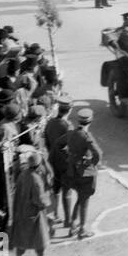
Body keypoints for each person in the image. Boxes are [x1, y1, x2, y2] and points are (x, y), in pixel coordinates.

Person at [9, 146, 54, 256]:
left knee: (21, 240)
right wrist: (48, 202)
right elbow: (40, 200)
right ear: (39, 165)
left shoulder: (23, 174)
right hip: (34, 214)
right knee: (41, 239)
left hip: (21, 212)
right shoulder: (36, 179)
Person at [66, 107, 103, 239]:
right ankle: (82, 229)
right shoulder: (87, 136)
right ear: (90, 121)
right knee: (84, 201)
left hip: (72, 171)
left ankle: (72, 226)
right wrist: (92, 162)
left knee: (80, 199)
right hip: (85, 173)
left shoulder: (72, 133)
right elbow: (98, 153)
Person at [43, 97, 75, 234]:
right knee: (67, 191)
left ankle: (55, 215)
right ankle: (68, 220)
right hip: (65, 163)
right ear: (70, 110)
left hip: (52, 160)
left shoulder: (50, 122)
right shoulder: (68, 126)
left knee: (55, 190)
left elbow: (46, 140)